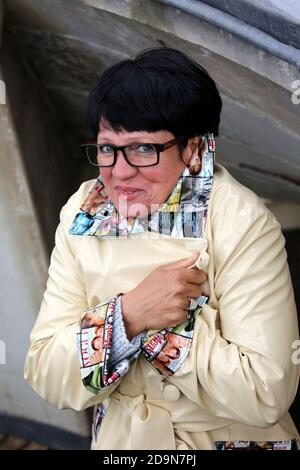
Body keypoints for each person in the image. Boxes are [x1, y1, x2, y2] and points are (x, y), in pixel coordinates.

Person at [24, 47, 300, 450]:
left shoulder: (240, 220)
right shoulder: (83, 212)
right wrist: (130, 315)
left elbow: (265, 392)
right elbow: (45, 371)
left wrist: (158, 334)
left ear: (192, 149)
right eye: (106, 148)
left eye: (142, 149)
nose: (118, 173)